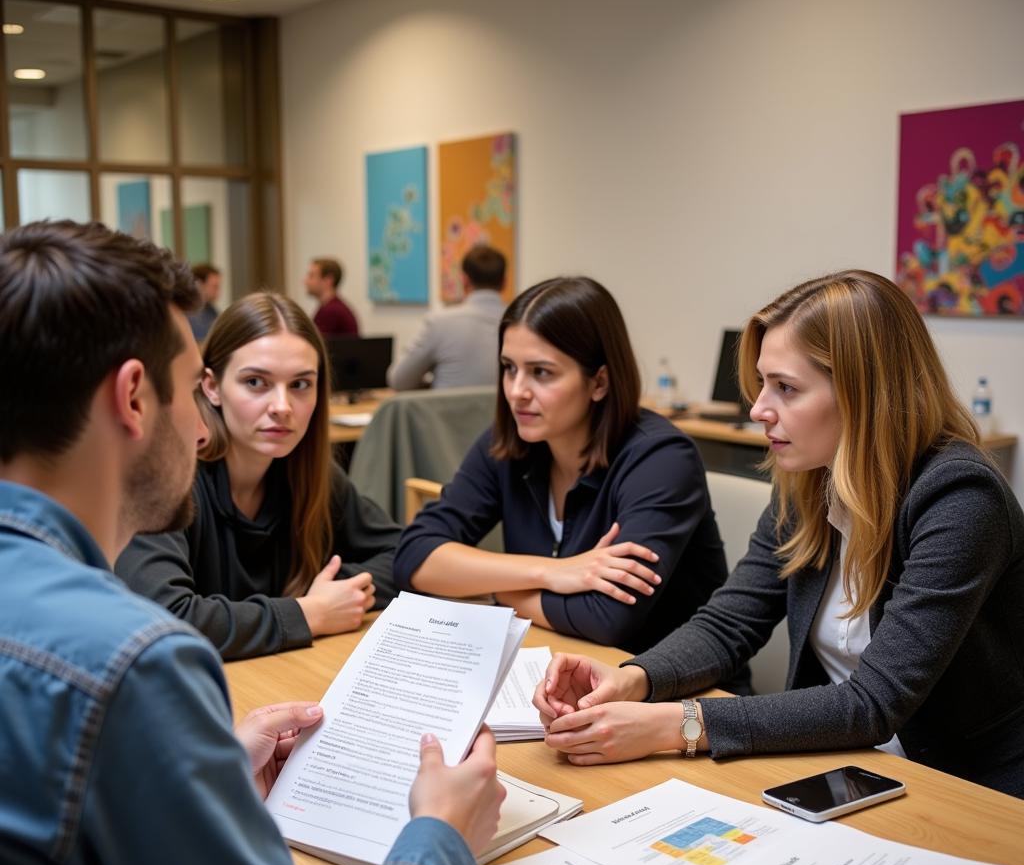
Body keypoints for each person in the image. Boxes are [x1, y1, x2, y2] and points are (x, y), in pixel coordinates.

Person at [0, 220, 504, 865]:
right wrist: (440, 838)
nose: (201, 426)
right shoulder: (129, 665)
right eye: (194, 384)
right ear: (136, 397)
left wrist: (204, 772)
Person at [534, 269, 1024, 798]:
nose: (757, 409)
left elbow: (874, 703)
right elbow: (729, 624)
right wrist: (633, 679)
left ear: (867, 395)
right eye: (764, 383)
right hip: (843, 763)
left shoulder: (961, 499)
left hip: (965, 784)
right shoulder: (810, 483)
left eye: (786, 388)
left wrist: (675, 724)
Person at [394, 276, 733, 670]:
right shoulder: (510, 443)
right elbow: (414, 557)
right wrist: (553, 573)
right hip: (557, 669)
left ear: (599, 382)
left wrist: (489, 590)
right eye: (509, 368)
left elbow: (607, 619)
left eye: (541, 373)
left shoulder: (661, 459)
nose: (516, 391)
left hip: (679, 697)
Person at [116, 291, 399, 661]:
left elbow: (403, 555)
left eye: (300, 384)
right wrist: (308, 613)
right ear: (212, 386)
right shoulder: (170, 476)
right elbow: (162, 616)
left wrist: (337, 592)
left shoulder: (310, 473)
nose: (282, 407)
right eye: (256, 382)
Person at [387, 244, 507, 390]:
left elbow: (399, 381)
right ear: (504, 282)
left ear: (464, 280)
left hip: (447, 412)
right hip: (503, 413)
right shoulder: (522, 322)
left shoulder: (439, 323)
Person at [305, 256, 359, 336]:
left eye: (311, 276)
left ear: (328, 280)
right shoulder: (332, 307)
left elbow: (316, 344)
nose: (305, 281)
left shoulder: (331, 311)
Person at [187, 261, 221, 342]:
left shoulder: (211, 311)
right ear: (199, 284)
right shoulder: (190, 314)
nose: (219, 292)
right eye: (215, 287)